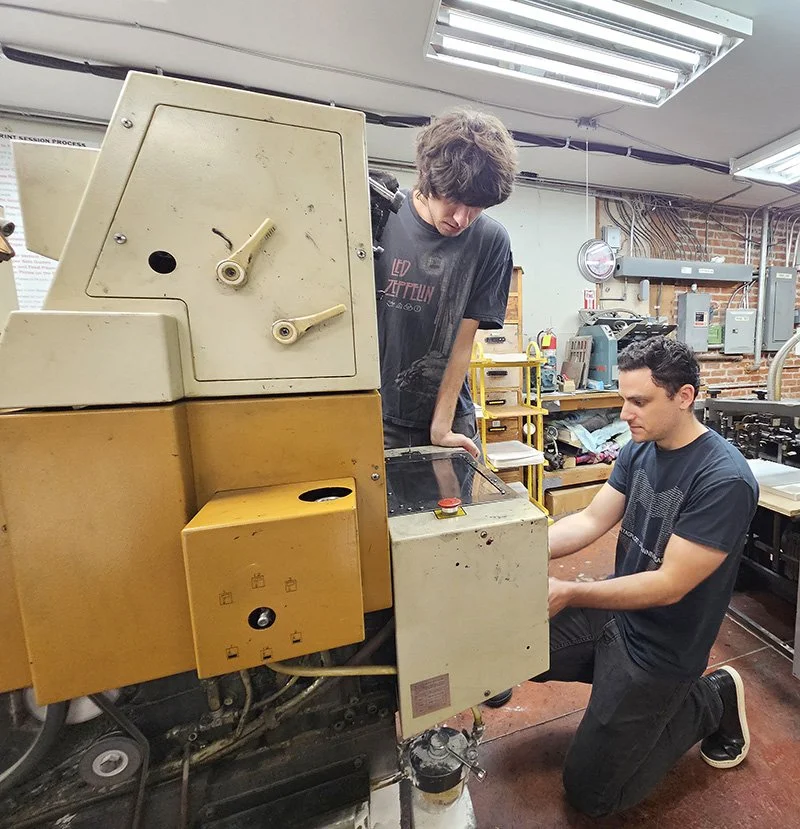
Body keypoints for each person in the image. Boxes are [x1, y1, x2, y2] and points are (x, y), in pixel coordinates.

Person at [536, 336, 758, 817]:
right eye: (623, 398)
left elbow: (668, 584)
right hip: (617, 619)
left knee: (591, 797)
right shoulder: (641, 448)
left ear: (684, 397)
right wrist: (513, 551)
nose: (624, 413)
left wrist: (572, 591)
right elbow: (592, 521)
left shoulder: (723, 479)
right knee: (510, 648)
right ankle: (617, 694)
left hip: (662, 649)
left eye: (638, 401)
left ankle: (709, 699)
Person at [374, 108, 518, 462]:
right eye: (453, 201)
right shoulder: (379, 215)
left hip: (448, 415)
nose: (461, 219)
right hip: (371, 413)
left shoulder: (490, 241)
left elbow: (461, 343)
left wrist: (441, 427)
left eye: (477, 208)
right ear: (428, 178)